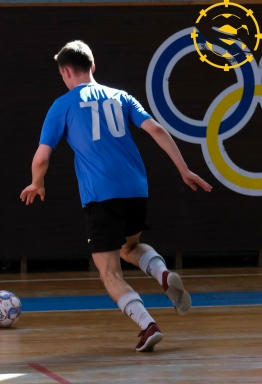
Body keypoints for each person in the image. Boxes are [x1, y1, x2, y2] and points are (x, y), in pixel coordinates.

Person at [20, 40, 213, 352]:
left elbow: (42, 158)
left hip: (101, 195)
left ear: (66, 72)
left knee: (109, 272)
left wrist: (36, 183)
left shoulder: (63, 105)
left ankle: (147, 325)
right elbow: (157, 130)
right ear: (93, 67)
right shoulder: (121, 97)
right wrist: (184, 169)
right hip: (136, 189)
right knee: (129, 247)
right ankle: (163, 273)